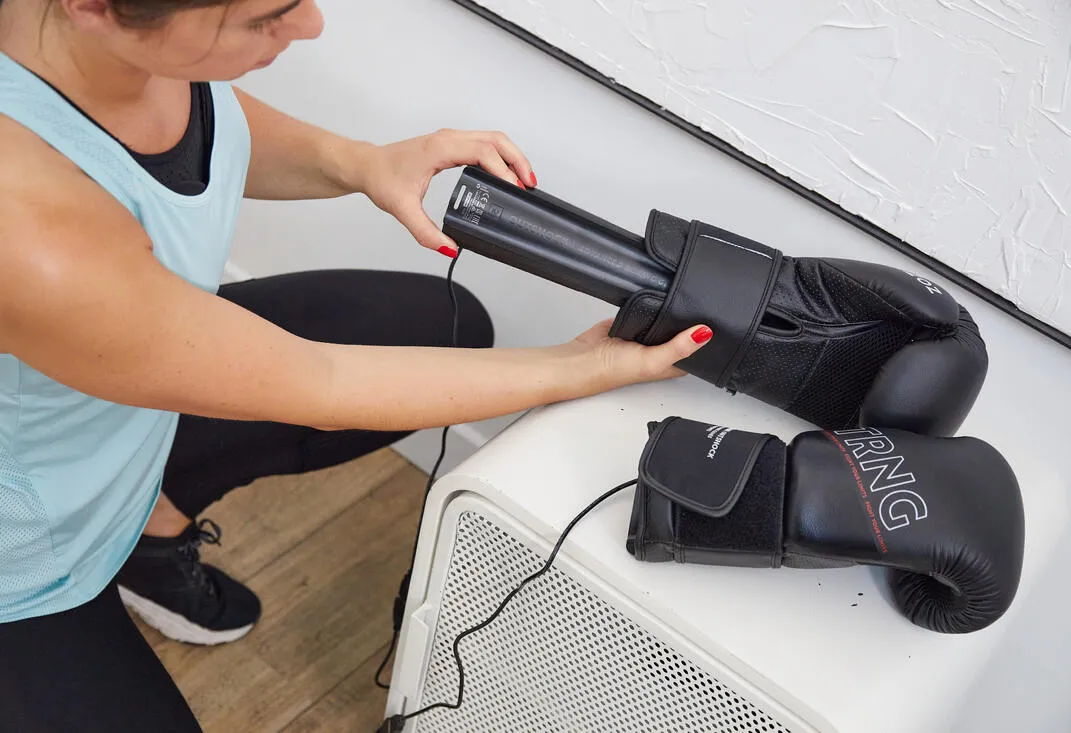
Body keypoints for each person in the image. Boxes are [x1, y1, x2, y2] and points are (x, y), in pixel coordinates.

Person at [0, 0, 714, 729]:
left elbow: (196, 116)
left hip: (108, 394)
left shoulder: (85, 38)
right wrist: (580, 366)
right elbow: (321, 383)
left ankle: (147, 531)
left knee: (446, 326)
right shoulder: (28, 225)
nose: (310, 25)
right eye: (264, 19)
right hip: (21, 557)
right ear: (93, 9)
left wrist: (365, 164)